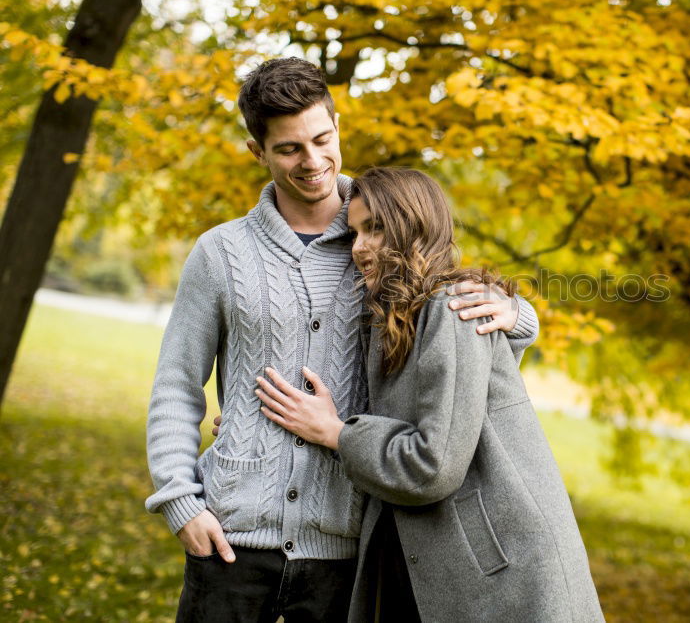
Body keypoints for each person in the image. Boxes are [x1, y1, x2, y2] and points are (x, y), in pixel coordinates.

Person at [144, 58, 539, 622]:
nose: (312, 162)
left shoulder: (386, 235)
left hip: (349, 549)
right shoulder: (220, 254)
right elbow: (177, 384)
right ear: (258, 152)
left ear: (337, 125)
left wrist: (517, 314)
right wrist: (181, 502)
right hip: (231, 539)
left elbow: (455, 337)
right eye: (288, 149)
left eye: (322, 139)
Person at [256, 167, 604, 622]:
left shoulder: (451, 306)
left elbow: (433, 466)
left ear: (413, 226)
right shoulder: (390, 316)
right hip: (424, 557)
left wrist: (337, 434)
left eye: (376, 228)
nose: (360, 246)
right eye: (356, 231)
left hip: (499, 572)